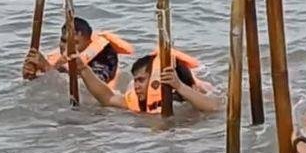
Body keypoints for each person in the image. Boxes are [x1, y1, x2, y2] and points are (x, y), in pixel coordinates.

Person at [74, 51, 223, 115]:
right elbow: (107, 98)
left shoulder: (184, 99)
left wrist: (179, 86)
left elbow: (215, 107)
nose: (137, 85)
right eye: (136, 80)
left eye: (141, 80)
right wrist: (84, 70)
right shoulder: (137, 101)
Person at [22, 17, 134, 87]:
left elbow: (90, 89)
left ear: (88, 43)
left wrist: (48, 69)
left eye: (75, 43)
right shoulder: (59, 58)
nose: (67, 47)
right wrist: (32, 76)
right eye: (63, 41)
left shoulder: (103, 57)